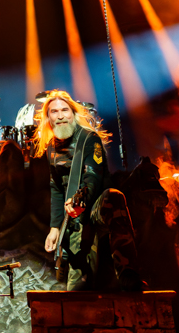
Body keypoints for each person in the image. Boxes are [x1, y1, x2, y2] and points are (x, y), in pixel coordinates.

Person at [35, 89, 144, 291]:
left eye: (65, 110)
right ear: (48, 118)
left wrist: (81, 200)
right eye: (54, 111)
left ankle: (127, 272)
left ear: (73, 113)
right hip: (73, 217)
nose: (60, 116)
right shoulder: (51, 148)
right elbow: (56, 189)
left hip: (93, 207)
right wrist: (54, 228)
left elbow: (92, 177)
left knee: (113, 197)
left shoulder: (88, 139)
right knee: (78, 289)